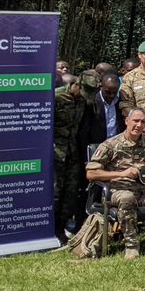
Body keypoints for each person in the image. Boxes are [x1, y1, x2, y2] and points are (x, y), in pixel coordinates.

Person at [86, 108, 145, 259]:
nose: (139, 125)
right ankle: (131, 245)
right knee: (127, 198)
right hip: (118, 192)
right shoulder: (110, 145)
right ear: (127, 121)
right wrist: (122, 173)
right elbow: (91, 173)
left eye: (143, 122)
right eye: (135, 121)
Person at [53, 71, 97, 242]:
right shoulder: (56, 97)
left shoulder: (83, 101)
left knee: (71, 192)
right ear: (77, 84)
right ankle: (50, 229)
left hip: (72, 152)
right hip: (55, 152)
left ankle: (61, 228)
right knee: (55, 192)